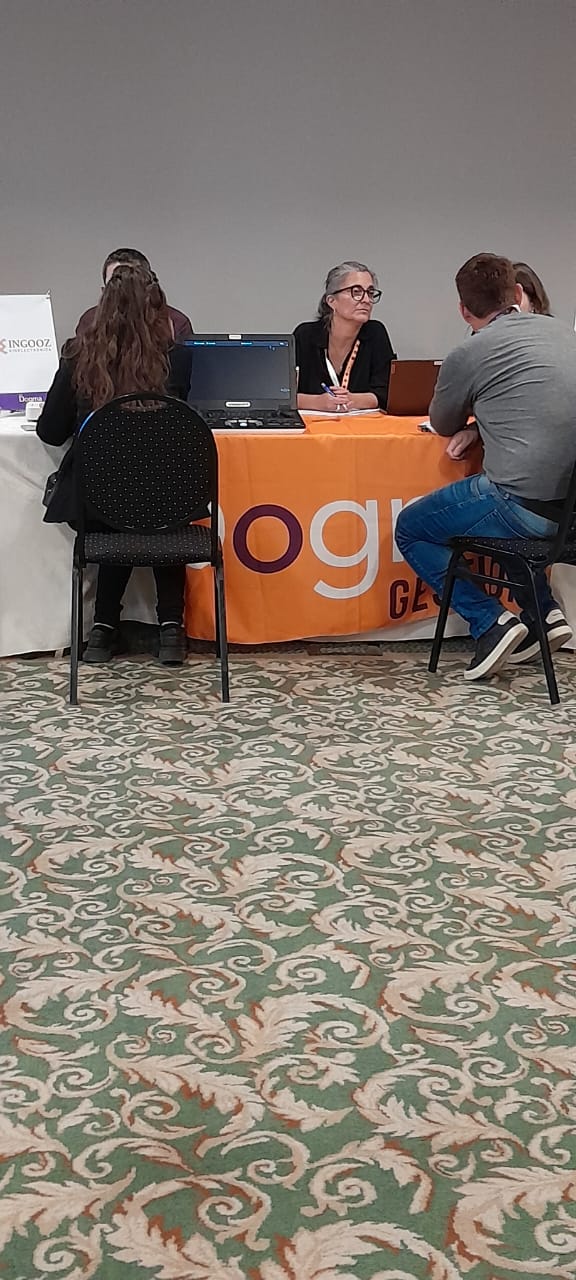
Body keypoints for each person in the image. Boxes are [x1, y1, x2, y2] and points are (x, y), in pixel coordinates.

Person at [395, 252, 576, 682]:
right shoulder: (564, 335)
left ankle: (490, 622)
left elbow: (442, 422)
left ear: (464, 310)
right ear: (517, 293)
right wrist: (482, 428)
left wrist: (472, 425)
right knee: (497, 514)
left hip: (522, 507)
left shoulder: (469, 352)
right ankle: (543, 614)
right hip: (569, 514)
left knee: (411, 528)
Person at [37, 265, 193, 667]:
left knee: (117, 503)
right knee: (157, 502)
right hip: (165, 501)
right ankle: (171, 628)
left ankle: (103, 628)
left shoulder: (78, 357)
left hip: (96, 505)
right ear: (157, 306)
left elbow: (50, 432)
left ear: (102, 305)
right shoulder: (177, 358)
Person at [294, 261, 396, 413]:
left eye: (370, 293)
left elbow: (388, 394)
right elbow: (282, 395)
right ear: (331, 301)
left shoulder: (375, 333)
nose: (366, 300)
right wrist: (317, 402)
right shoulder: (305, 335)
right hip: (314, 424)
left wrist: (353, 399)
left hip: (362, 425)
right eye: (356, 292)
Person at [75, 247, 193, 340]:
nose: (122, 291)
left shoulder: (176, 322)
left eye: (130, 283)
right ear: (104, 291)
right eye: (115, 283)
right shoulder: (90, 321)